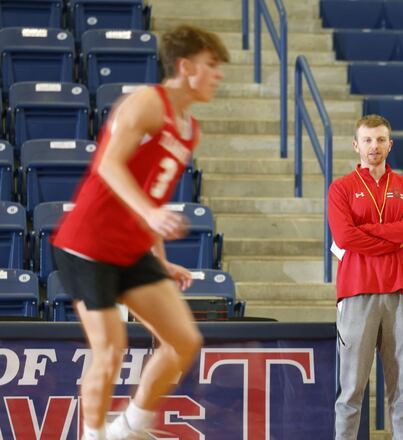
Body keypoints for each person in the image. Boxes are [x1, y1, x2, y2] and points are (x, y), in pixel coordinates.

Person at [51, 25, 228, 440]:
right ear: (185, 67)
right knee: (110, 350)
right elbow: (108, 165)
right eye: (212, 66)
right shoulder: (148, 102)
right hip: (87, 245)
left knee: (184, 340)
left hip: (130, 249)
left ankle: (129, 427)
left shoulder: (190, 128)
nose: (218, 75)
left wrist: (161, 258)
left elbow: (150, 194)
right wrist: (150, 213)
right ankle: (93, 436)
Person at [328, 114, 403, 439]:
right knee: (351, 391)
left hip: (402, 294)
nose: (374, 146)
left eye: (381, 139)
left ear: (390, 144)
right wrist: (393, 238)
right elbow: (344, 237)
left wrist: (368, 232)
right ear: (356, 144)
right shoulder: (341, 188)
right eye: (368, 140)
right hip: (357, 293)